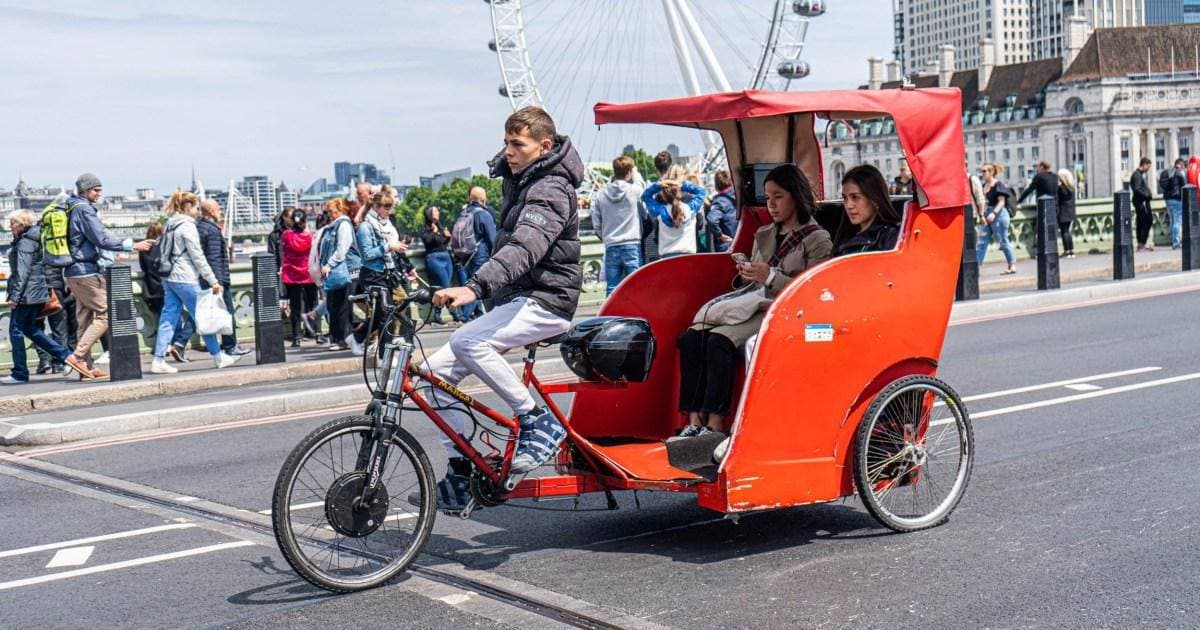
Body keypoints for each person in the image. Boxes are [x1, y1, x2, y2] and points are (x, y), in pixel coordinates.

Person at [418, 106, 583, 510]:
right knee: (432, 377)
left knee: (468, 341)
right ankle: (461, 468)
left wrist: (474, 287)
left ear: (544, 147)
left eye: (517, 144)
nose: (508, 151)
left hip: (548, 298)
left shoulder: (551, 188)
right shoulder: (520, 180)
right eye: (506, 142)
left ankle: (536, 421)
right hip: (517, 297)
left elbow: (525, 246)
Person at [673, 164, 832, 440]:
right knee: (690, 338)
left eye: (778, 197)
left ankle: (716, 421)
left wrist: (770, 276)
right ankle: (693, 417)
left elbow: (813, 290)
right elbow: (752, 284)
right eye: (768, 198)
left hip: (783, 310)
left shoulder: (817, 239)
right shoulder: (764, 233)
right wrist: (748, 273)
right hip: (754, 303)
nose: (771, 204)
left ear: (795, 196)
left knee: (718, 342)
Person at [63, 173, 153, 379]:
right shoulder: (84, 209)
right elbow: (101, 239)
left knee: (84, 319)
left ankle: (85, 367)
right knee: (106, 314)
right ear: (85, 190)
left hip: (72, 271)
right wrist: (132, 245)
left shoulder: (69, 207)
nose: (99, 194)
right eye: (96, 190)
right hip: (86, 272)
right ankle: (77, 357)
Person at [150, 192, 243, 374]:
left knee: (168, 317)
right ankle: (218, 356)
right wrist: (213, 280)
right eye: (196, 207)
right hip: (185, 277)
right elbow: (198, 257)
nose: (197, 211)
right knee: (202, 317)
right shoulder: (187, 227)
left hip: (168, 277)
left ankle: (159, 359)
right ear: (188, 207)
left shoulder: (170, 224)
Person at [3, 211, 84, 383]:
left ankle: (20, 373)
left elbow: (22, 272)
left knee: (15, 331)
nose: (10, 227)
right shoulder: (33, 238)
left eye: (12, 223)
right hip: (34, 292)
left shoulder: (25, 242)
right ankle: (67, 356)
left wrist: (15, 297)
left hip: (26, 294)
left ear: (22, 224)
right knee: (31, 330)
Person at [198, 199, 250, 356]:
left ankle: (179, 342)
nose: (220, 211)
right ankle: (230, 345)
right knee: (227, 312)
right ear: (211, 211)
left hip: (203, 278)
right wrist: (218, 281)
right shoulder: (212, 230)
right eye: (218, 209)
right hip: (217, 279)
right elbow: (214, 257)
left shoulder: (199, 227)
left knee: (204, 312)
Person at [356, 188, 408, 340]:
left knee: (394, 307)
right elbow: (366, 255)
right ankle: (382, 346)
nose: (389, 211)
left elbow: (390, 247)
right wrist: (388, 247)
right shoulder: (365, 227)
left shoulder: (387, 225)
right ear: (376, 207)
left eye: (391, 207)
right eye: (386, 207)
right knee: (384, 312)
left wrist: (398, 247)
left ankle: (364, 338)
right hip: (373, 274)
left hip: (387, 272)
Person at [138, 221, 194, 362]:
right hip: (166, 285)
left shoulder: (144, 248)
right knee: (174, 319)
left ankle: (164, 348)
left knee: (163, 320)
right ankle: (177, 345)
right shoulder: (164, 246)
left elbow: (144, 268)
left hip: (151, 289)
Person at [592, 155, 644, 295]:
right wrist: (636, 172)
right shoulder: (633, 191)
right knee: (636, 285)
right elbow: (642, 186)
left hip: (611, 244)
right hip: (631, 244)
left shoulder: (601, 194)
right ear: (629, 173)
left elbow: (596, 221)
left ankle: (612, 315)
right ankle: (635, 314)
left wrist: (604, 236)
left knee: (612, 288)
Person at [317, 198, 363, 354]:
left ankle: (345, 338)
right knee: (334, 304)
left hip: (347, 271)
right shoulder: (333, 226)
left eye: (332, 211)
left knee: (342, 305)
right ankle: (339, 338)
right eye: (329, 211)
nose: (330, 214)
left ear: (340, 209)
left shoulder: (343, 225)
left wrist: (328, 265)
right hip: (337, 271)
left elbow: (342, 248)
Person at [452, 186, 498, 320]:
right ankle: (465, 316)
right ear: (484, 199)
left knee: (471, 283)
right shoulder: (484, 214)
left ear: (469, 199)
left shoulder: (464, 213)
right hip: (480, 256)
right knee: (479, 287)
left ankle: (477, 314)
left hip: (466, 256)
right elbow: (492, 239)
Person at [642, 170, 706, 257]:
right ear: (680, 193)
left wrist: (658, 185)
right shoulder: (691, 209)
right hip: (688, 255)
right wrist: (682, 185)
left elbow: (646, 195)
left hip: (667, 257)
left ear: (664, 196)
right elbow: (701, 191)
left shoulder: (660, 212)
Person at [281, 208, 318, 347]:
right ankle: (317, 333)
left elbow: (284, 250)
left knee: (295, 307)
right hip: (308, 274)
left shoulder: (286, 235)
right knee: (313, 304)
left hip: (292, 275)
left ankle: (296, 337)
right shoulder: (310, 236)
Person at [420, 206, 463, 325]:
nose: (438, 212)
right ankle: (455, 314)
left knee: (441, 287)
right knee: (445, 286)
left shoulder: (441, 226)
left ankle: (438, 315)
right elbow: (428, 241)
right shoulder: (426, 229)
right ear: (429, 214)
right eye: (435, 211)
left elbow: (443, 242)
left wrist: (448, 236)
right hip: (434, 258)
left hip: (445, 256)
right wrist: (434, 233)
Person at [976, 164, 1017, 274]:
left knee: (1003, 240)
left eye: (984, 171)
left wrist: (993, 213)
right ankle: (976, 267)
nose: (982, 173)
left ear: (991, 172)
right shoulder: (984, 186)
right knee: (981, 241)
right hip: (987, 214)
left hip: (999, 215)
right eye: (982, 171)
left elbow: (1002, 201)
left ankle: (1012, 265)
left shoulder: (998, 185)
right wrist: (982, 215)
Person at [705, 170, 738, 253]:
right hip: (739, 242)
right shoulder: (739, 197)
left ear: (716, 186)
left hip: (727, 246)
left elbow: (711, 219)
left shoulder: (720, 201)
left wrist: (719, 235)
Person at [1161, 158, 1187, 249]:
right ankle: (1176, 243)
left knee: (1172, 221)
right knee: (1177, 221)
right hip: (1177, 199)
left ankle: (1173, 242)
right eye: (1184, 165)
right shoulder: (1180, 172)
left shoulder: (1168, 172)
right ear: (1181, 164)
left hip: (1168, 200)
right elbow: (1185, 186)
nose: (1184, 167)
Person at [1130, 158, 1154, 252]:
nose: (1148, 169)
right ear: (1144, 165)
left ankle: (1140, 244)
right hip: (1142, 202)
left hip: (1140, 202)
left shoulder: (1138, 175)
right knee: (1147, 221)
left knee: (1141, 222)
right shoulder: (1137, 175)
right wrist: (1147, 195)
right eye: (1148, 167)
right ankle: (1142, 244)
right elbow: (1137, 189)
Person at [1055, 168, 1077, 258]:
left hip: (1063, 212)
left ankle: (1066, 251)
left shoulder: (1060, 188)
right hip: (1070, 211)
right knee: (1068, 231)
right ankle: (1071, 251)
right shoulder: (1071, 188)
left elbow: (1057, 200)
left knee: (1064, 231)